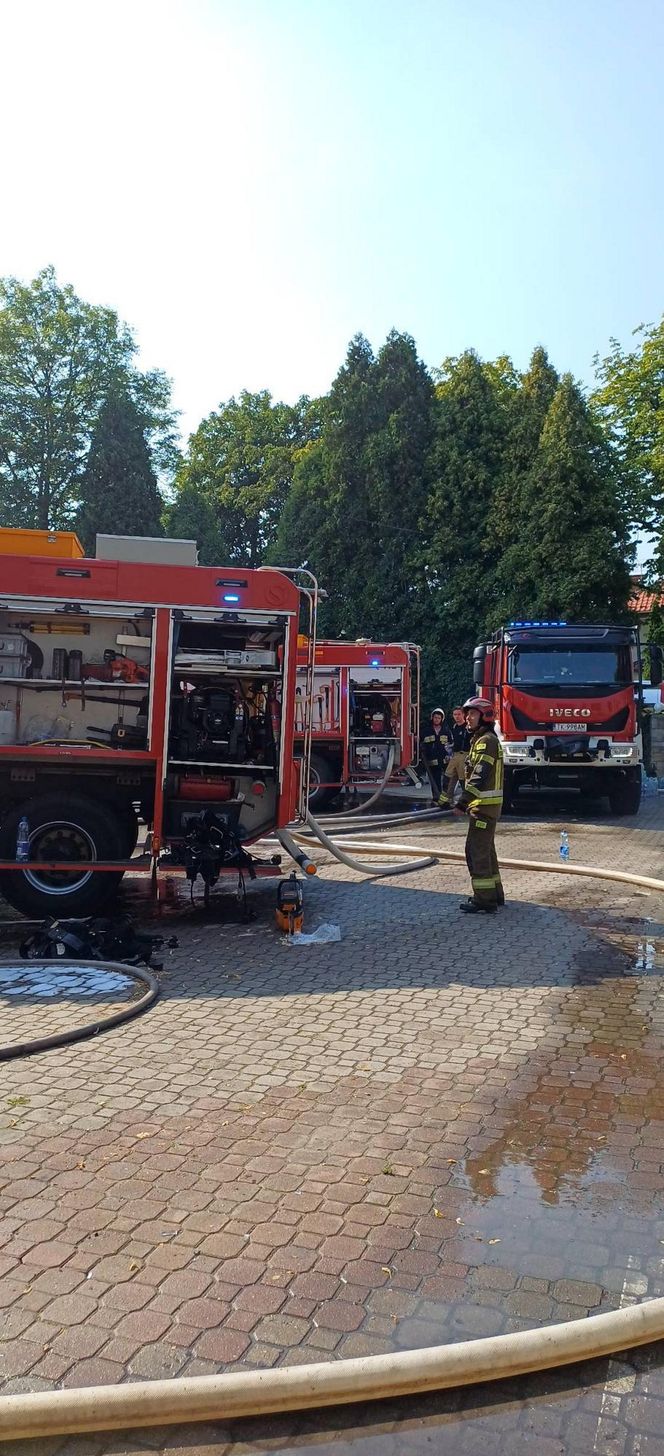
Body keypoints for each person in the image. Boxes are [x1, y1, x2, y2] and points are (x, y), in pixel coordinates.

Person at [439, 696, 504, 914]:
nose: (468, 718)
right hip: (485, 806)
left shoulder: (486, 741)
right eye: (467, 714)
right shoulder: (482, 739)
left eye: (472, 714)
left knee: (475, 851)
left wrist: (462, 802)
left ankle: (484, 900)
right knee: (486, 851)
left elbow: (479, 776)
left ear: (484, 716)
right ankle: (495, 894)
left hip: (483, 807)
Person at [441, 705, 470, 805]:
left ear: (463, 715)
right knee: (448, 777)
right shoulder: (454, 727)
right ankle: (446, 800)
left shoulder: (468, 728)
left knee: (463, 779)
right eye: (455, 714)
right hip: (455, 755)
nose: (456, 716)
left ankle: (466, 802)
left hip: (464, 755)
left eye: (459, 714)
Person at [421, 708, 452, 799]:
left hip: (445, 760)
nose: (437, 719)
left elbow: (450, 744)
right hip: (432, 761)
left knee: (447, 781)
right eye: (435, 717)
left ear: (442, 719)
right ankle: (436, 797)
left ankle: (446, 798)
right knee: (435, 780)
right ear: (432, 718)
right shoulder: (426, 731)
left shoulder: (446, 731)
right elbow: (421, 743)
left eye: (439, 718)